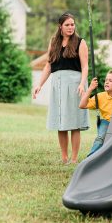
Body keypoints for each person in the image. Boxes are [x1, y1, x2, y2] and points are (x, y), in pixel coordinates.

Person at [33, 12, 89, 164]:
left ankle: (74, 159)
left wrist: (82, 83)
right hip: (58, 84)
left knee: (74, 122)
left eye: (72, 24)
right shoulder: (54, 42)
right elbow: (49, 65)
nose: (71, 27)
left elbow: (85, 66)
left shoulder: (80, 42)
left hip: (75, 84)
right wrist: (39, 84)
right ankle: (64, 157)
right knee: (61, 122)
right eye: (67, 25)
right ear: (60, 27)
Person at [79, 69, 112, 156]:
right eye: (106, 80)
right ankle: (90, 158)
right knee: (100, 138)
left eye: (110, 81)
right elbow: (82, 105)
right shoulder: (100, 96)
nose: (106, 82)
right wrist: (90, 88)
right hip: (107, 122)